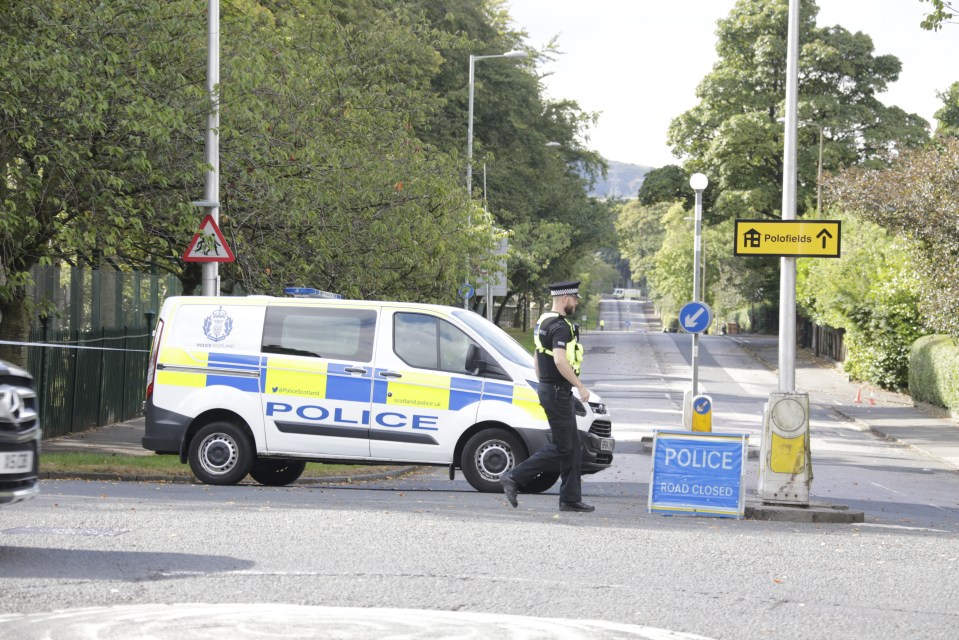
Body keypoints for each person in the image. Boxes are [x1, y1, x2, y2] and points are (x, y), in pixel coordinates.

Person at [500, 281, 594, 513]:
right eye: (574, 299)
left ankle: (570, 499)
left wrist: (544, 383)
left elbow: (537, 355)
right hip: (557, 391)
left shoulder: (542, 322)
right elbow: (560, 360)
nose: (576, 303)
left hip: (549, 388)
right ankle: (513, 477)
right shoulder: (561, 327)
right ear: (564, 299)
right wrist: (580, 386)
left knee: (573, 447)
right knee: (563, 446)